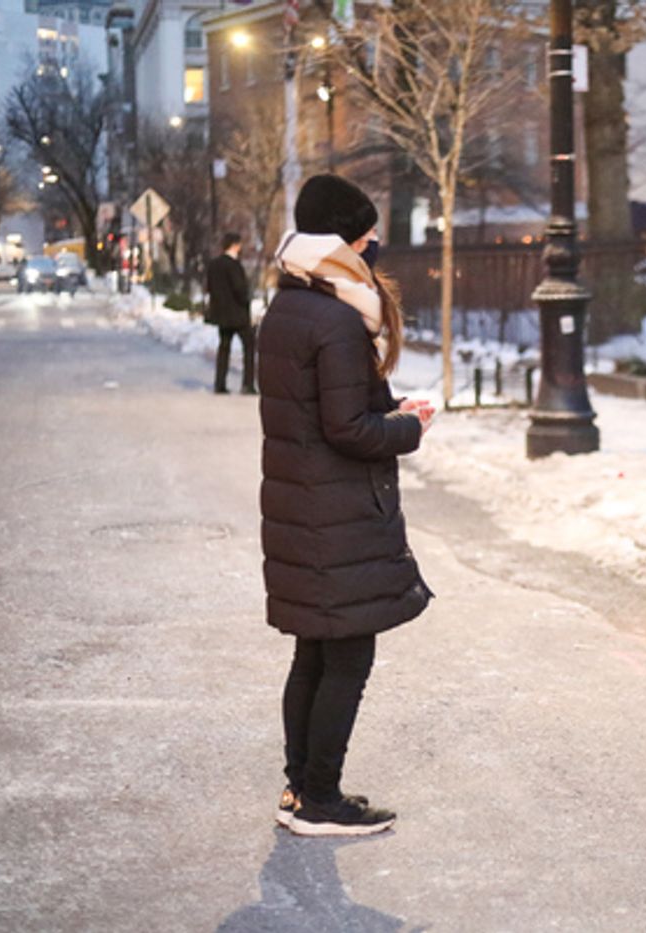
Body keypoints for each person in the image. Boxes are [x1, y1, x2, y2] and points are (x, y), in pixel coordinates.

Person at [258, 174, 436, 836]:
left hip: (304, 506)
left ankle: (301, 787)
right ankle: (322, 799)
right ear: (341, 239)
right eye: (365, 235)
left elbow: (322, 409)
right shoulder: (335, 319)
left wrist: (386, 405)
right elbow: (346, 428)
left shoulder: (292, 306)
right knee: (347, 656)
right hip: (333, 513)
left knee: (316, 652)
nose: (374, 245)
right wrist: (409, 426)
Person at [207, 232, 256, 395]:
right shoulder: (234, 265)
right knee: (249, 345)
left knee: (224, 347)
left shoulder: (214, 264)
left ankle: (219, 384)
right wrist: (247, 300)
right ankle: (248, 384)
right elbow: (239, 289)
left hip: (221, 314)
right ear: (234, 245)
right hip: (238, 314)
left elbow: (209, 287)